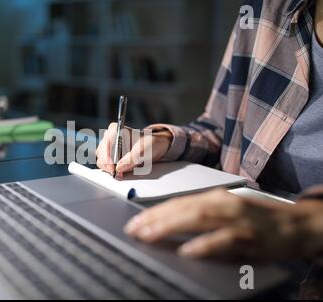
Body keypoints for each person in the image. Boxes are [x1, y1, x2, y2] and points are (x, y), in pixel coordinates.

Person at [96, 0, 323, 262]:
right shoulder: (261, 11)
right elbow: (218, 127)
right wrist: (162, 141)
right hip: (237, 244)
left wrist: (300, 225)